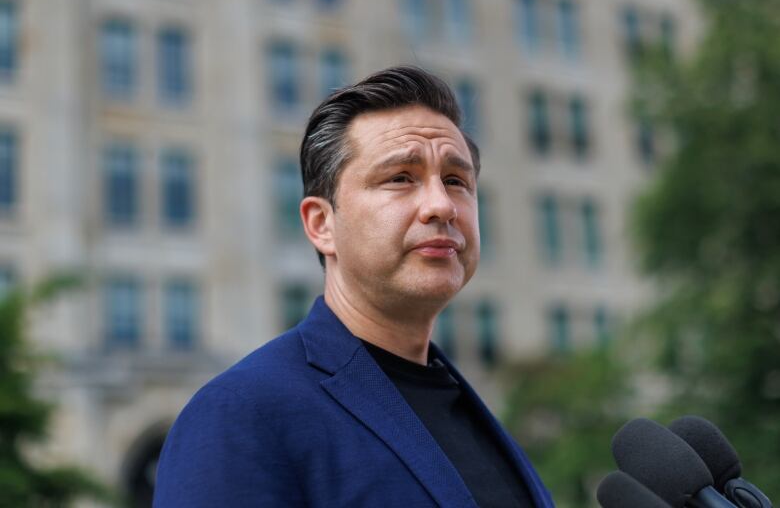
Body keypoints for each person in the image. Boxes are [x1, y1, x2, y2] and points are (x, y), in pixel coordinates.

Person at [154, 66, 554, 507]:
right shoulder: (240, 414)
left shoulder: (469, 413)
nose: (441, 204)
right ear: (321, 224)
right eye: (401, 177)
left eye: (456, 181)